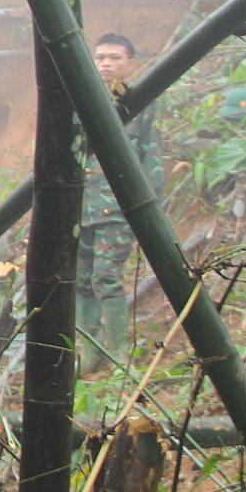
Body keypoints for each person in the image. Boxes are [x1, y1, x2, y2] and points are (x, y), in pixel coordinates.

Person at [77, 32, 163, 358]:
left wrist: (148, 208)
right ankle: (89, 356)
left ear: (130, 63)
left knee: (106, 276)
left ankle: (118, 354)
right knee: (81, 280)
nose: (106, 64)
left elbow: (151, 157)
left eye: (114, 57)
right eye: (100, 57)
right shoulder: (80, 97)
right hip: (79, 204)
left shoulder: (140, 102)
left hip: (116, 206)